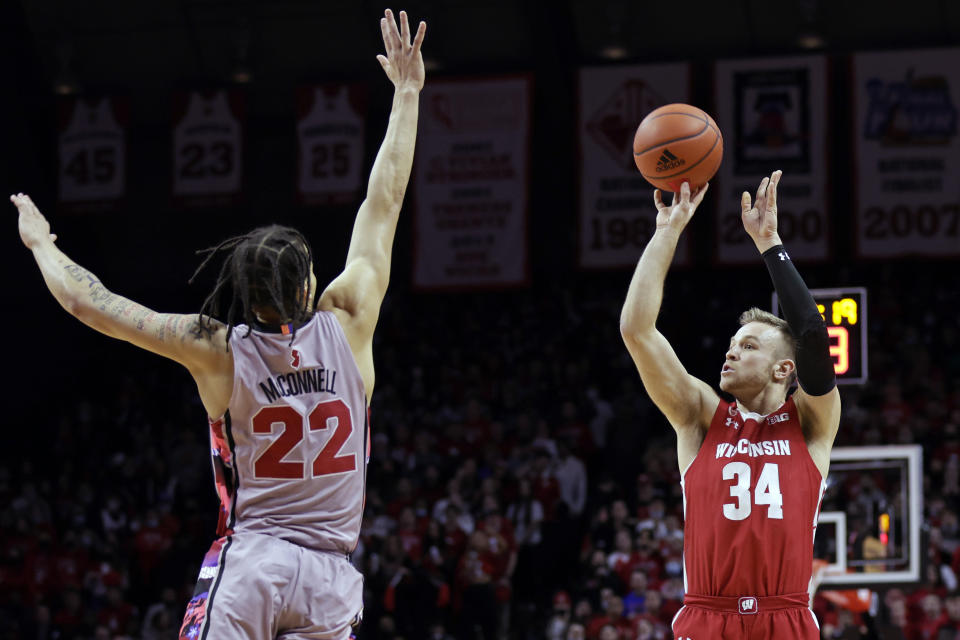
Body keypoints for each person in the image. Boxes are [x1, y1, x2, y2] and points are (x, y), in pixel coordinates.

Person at [11, 8, 426, 638]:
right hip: (331, 580)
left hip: (254, 563)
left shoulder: (219, 349)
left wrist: (42, 244)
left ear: (246, 297)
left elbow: (90, 305)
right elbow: (385, 199)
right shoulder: (351, 317)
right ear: (310, 284)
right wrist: (407, 92)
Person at [619, 171, 841, 639]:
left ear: (783, 369)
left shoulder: (810, 423)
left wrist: (770, 244)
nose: (731, 352)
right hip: (706, 614)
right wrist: (667, 231)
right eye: (732, 344)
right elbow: (636, 330)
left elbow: (813, 337)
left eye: (749, 347)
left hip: (787, 615)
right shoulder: (700, 416)